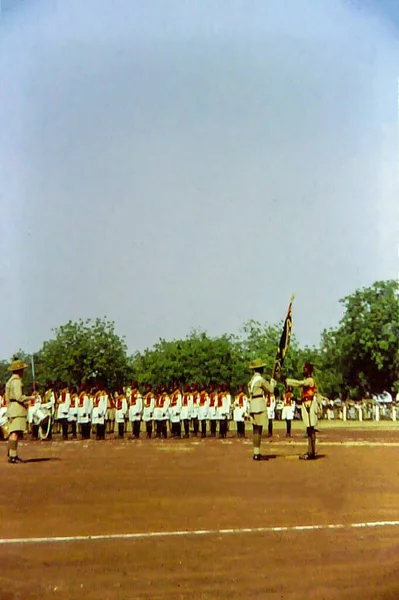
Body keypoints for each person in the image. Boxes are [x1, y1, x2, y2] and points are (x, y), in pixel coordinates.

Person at [286, 362, 319, 460]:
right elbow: (303, 397)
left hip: (310, 405)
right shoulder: (307, 381)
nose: (303, 371)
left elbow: (300, 384)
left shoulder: (310, 380)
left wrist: (288, 381)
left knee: (311, 429)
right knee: (309, 429)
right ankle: (310, 451)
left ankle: (311, 452)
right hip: (306, 404)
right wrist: (295, 399)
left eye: (305, 369)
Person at [5, 359, 36, 463]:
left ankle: (11, 453)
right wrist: (31, 398)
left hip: (12, 408)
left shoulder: (10, 381)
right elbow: (19, 397)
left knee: (12, 433)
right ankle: (13, 456)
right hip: (17, 409)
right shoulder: (17, 382)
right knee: (15, 433)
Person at [247, 358, 276, 461]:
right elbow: (271, 390)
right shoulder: (261, 380)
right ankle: (257, 453)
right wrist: (272, 382)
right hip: (259, 404)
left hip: (252, 404)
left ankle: (256, 452)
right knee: (259, 430)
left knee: (255, 430)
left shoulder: (251, 381)